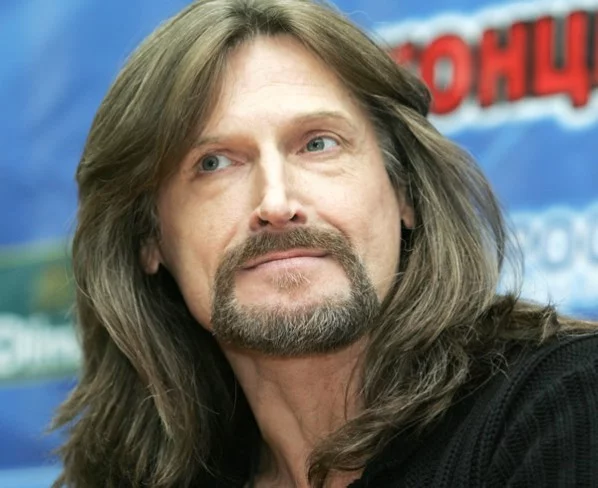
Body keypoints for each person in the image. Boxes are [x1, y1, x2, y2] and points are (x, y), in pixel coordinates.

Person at [51, 0, 598, 486]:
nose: (276, 202)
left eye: (318, 144)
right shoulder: (125, 476)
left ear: (404, 191)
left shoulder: (565, 404)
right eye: (214, 163)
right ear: (149, 236)